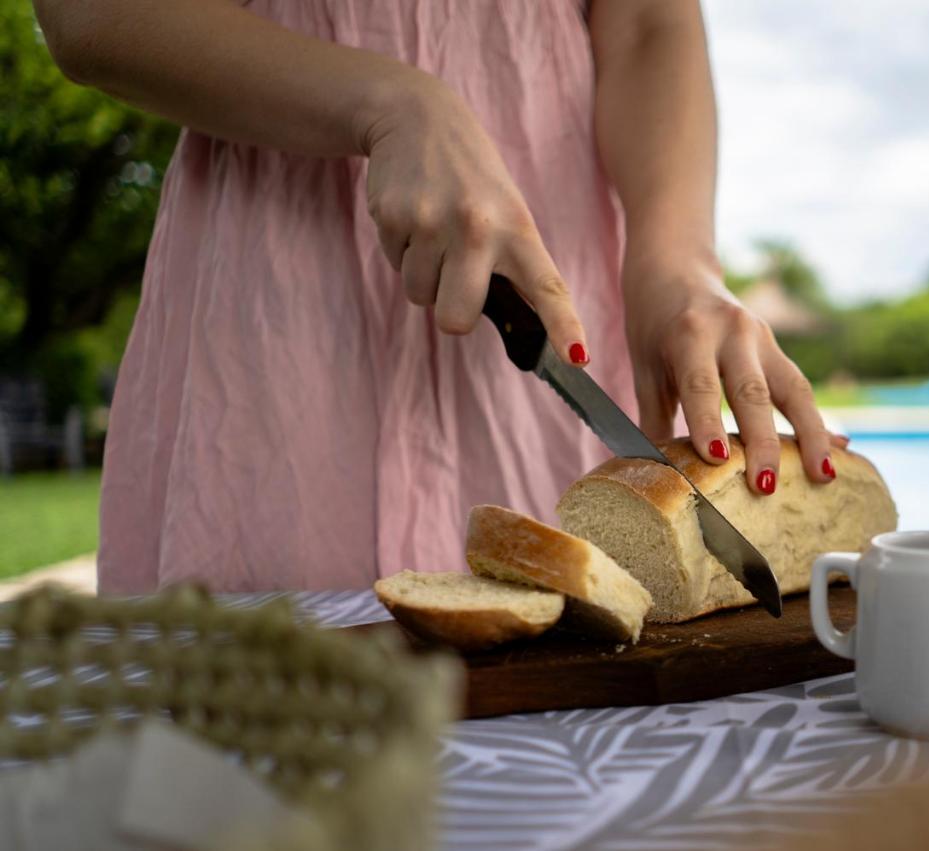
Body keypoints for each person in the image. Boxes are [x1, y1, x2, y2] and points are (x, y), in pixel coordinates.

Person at [34, 0, 843, 593]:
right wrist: (389, 102)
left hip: (544, 318)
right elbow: (90, 16)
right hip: (271, 336)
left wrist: (673, 256)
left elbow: (647, 24)